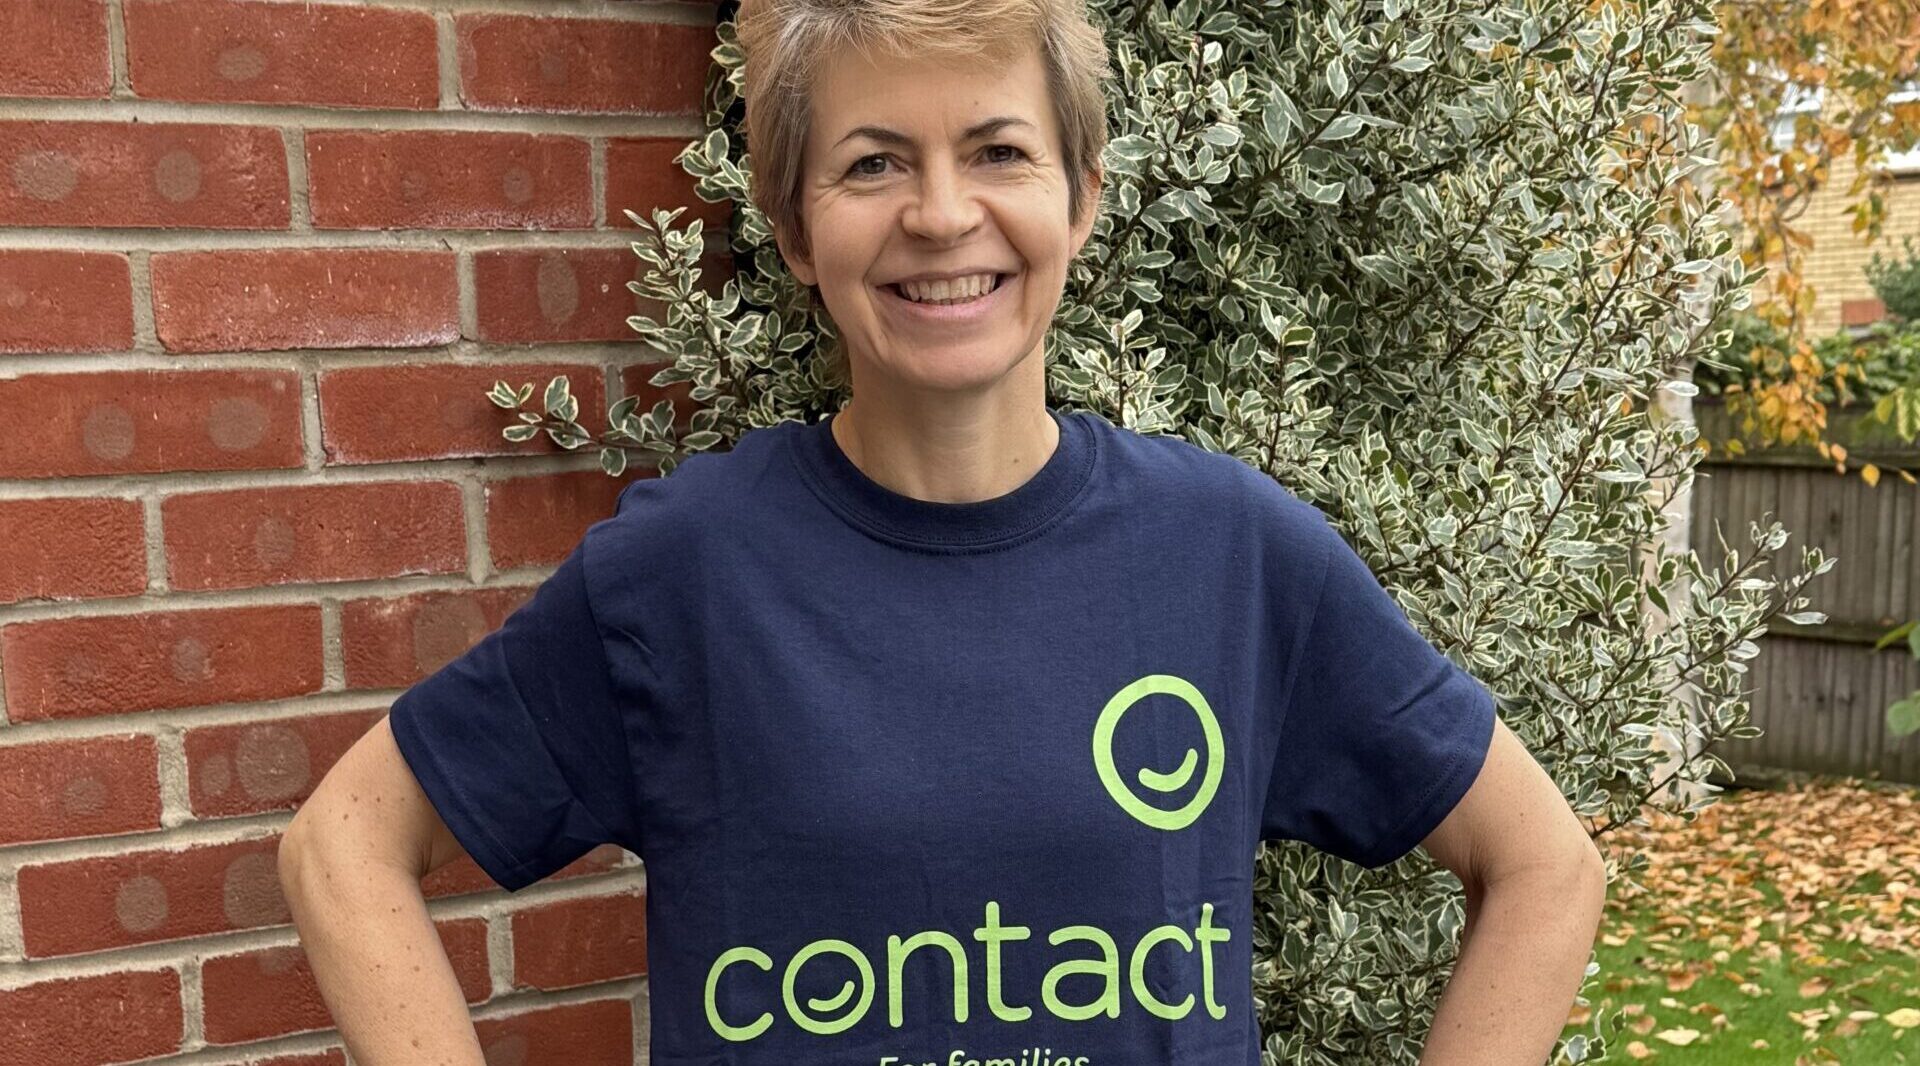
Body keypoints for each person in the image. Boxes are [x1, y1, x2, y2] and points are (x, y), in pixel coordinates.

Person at [277, 1, 1607, 1063]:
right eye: (872, 163)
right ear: (796, 225)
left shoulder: (1229, 554)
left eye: (998, 149)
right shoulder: (685, 572)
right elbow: (344, 840)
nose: (941, 214)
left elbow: (1544, 864)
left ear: (1081, 197)